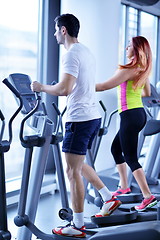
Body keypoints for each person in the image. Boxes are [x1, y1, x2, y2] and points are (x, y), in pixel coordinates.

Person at [31, 13, 121, 238]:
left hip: (79, 119)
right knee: (78, 165)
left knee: (72, 171)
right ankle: (108, 197)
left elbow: (64, 89)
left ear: (63, 30)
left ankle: (78, 225)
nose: (53, 34)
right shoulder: (87, 52)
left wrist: (41, 87)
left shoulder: (71, 55)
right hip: (91, 116)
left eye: (55, 30)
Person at [96, 36, 157, 212]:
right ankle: (124, 185)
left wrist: (78, 86)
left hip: (130, 115)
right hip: (137, 114)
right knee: (116, 148)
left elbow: (103, 86)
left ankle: (148, 196)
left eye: (129, 45)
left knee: (130, 157)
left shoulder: (129, 68)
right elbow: (146, 92)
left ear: (137, 49)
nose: (126, 48)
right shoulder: (142, 69)